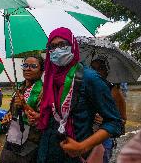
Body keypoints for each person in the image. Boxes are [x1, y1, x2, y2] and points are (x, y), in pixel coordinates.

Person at [35, 27, 122, 163]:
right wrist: (41, 117)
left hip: (75, 155)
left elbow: (115, 122)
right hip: (46, 152)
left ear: (73, 46)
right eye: (52, 46)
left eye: (62, 44)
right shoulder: (50, 78)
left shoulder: (89, 78)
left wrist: (83, 146)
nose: (57, 50)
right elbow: (55, 113)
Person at [0, 55, 44, 163]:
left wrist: (24, 105)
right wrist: (9, 115)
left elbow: (41, 121)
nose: (28, 68)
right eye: (25, 65)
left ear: (41, 71)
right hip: (12, 138)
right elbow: (12, 110)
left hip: (30, 143)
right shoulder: (19, 87)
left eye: (33, 66)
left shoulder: (43, 92)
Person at [91, 57, 127, 163]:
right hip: (86, 135)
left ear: (106, 71)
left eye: (100, 68)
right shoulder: (84, 89)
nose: (96, 72)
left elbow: (123, 120)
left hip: (105, 139)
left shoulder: (114, 92)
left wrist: (107, 120)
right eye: (93, 68)